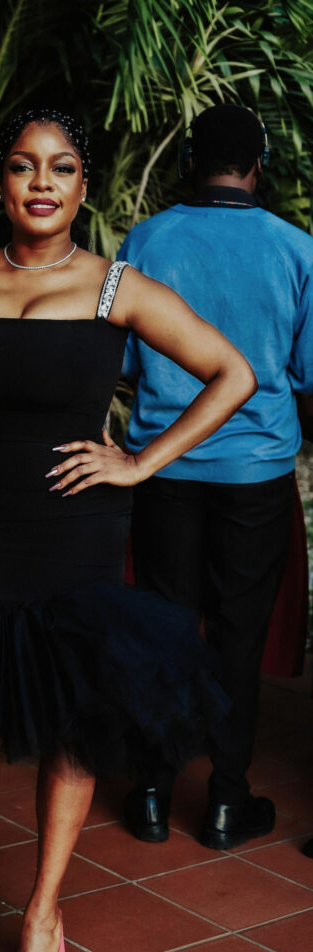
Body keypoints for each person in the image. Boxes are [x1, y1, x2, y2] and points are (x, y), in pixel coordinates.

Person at [0, 108, 256, 952]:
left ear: (83, 185)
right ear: (0, 181)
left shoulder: (116, 287)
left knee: (71, 736)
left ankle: (42, 914)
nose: (40, 182)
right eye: (22, 165)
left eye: (61, 167)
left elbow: (233, 373)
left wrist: (139, 462)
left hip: (76, 533)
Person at [119, 103, 313, 852]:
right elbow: (305, 372)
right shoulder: (297, 248)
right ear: (259, 166)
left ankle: (150, 792)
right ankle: (227, 803)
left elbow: (127, 359)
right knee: (238, 634)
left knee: (164, 624)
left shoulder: (146, 239)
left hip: (161, 464)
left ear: (189, 163)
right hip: (256, 472)